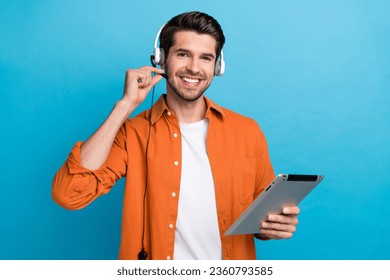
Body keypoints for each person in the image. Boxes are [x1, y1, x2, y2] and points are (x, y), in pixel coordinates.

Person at [52, 11, 300, 260]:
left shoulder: (247, 131)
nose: (194, 68)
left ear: (218, 66)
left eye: (206, 58)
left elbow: (262, 220)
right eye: (183, 54)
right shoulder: (132, 132)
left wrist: (274, 227)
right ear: (161, 59)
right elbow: (70, 194)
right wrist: (124, 106)